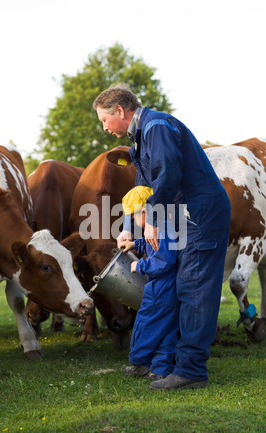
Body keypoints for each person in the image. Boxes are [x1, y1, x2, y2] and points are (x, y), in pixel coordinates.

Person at [93, 84, 231, 390]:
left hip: (200, 215)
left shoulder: (157, 127)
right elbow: (140, 191)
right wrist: (129, 226)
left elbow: (168, 174)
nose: (104, 127)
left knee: (193, 290)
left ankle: (191, 371)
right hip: (183, 217)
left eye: (105, 119)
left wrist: (153, 219)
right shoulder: (143, 139)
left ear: (120, 111)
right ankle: (173, 364)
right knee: (183, 288)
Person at [119, 185, 180, 381]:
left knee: (146, 323)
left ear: (145, 212)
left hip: (160, 286)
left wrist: (140, 265)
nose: (134, 221)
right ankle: (160, 369)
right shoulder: (164, 225)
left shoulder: (162, 229)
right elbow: (152, 245)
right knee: (167, 329)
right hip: (171, 287)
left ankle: (139, 363)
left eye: (134, 216)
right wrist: (135, 244)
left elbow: (164, 260)